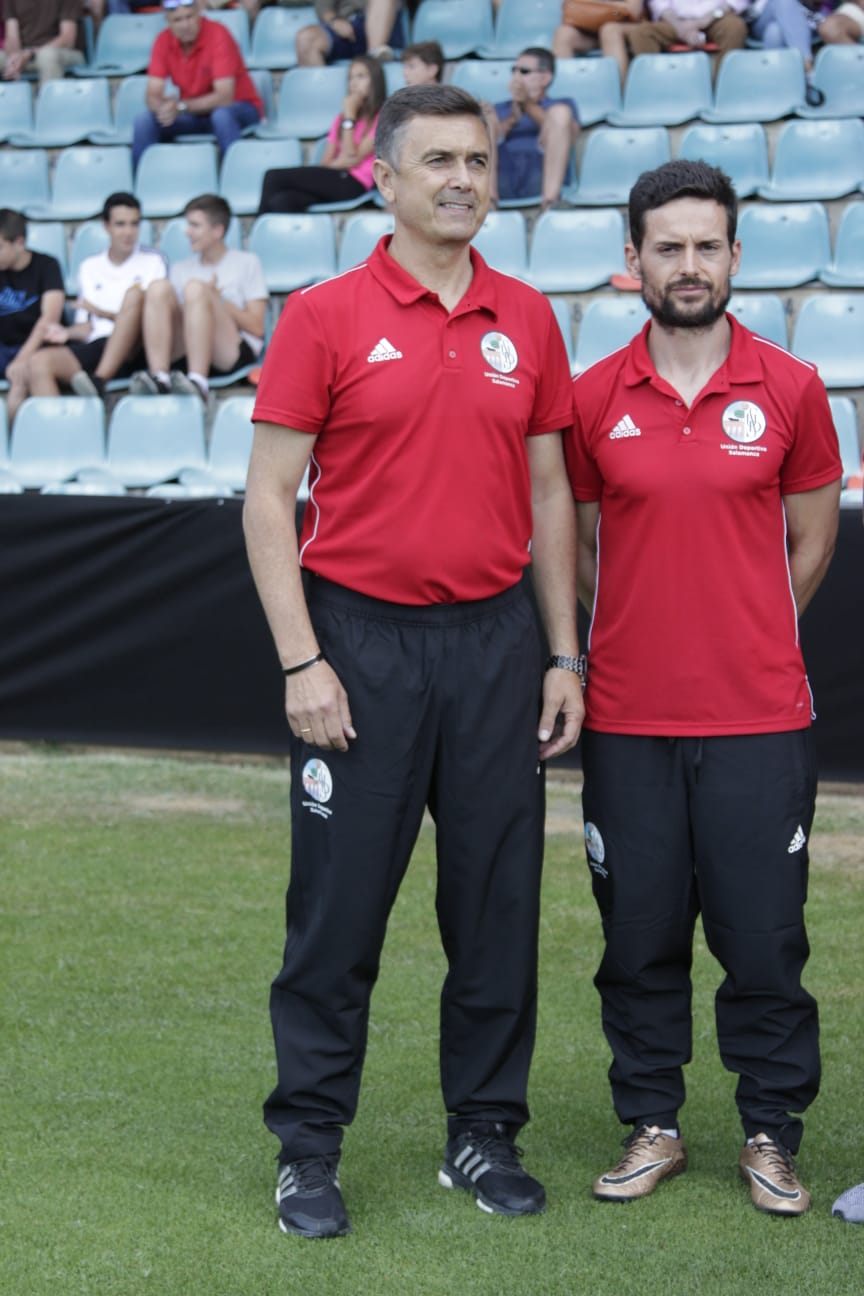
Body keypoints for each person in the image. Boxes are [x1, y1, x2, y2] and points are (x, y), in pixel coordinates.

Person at [243, 83, 584, 1240]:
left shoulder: (529, 318)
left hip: (495, 646)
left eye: (480, 160)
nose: (464, 179)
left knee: (495, 910)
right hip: (359, 642)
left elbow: (549, 494)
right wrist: (304, 663)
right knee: (337, 915)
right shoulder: (325, 315)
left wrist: (561, 652)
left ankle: (483, 1134)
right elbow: (267, 499)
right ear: (381, 177)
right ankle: (307, 1148)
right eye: (437, 158)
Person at [565, 159, 842, 1216]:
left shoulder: (793, 389)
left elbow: (810, 543)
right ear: (632, 261)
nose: (689, 265)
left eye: (707, 245)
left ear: (735, 257)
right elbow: (580, 548)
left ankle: (771, 1133)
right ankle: (654, 1122)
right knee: (637, 936)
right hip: (627, 718)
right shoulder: (593, 397)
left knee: (764, 938)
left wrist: (742, 630)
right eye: (667, 247)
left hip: (759, 718)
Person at [24, 193, 166, 404]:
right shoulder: (90, 267)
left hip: (137, 348)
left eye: (134, 224)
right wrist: (67, 332)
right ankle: (60, 433)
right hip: (98, 344)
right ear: (106, 226)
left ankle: (99, 380)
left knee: (134, 297)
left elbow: (152, 321)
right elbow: (87, 326)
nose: (128, 232)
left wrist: (101, 312)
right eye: (120, 224)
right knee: (38, 363)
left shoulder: (153, 261)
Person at [130, 193, 267, 400]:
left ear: (217, 231)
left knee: (195, 288)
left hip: (230, 352)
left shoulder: (247, 263)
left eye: (195, 225)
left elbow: (257, 327)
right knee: (158, 288)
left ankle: (198, 381)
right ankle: (159, 377)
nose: (187, 232)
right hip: (186, 348)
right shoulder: (180, 268)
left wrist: (218, 301)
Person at [132, 0, 262, 173]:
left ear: (199, 14)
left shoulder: (218, 34)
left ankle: (235, 176)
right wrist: (164, 108)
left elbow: (224, 97)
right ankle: (140, 184)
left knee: (222, 116)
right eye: (178, 20)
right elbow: (152, 94)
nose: (185, 25)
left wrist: (180, 106)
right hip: (196, 113)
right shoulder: (162, 40)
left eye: (189, 17)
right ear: (168, 21)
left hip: (240, 107)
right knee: (145, 121)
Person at [258, 54, 385, 214]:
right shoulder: (340, 118)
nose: (354, 83)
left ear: (375, 81)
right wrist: (341, 161)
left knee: (273, 177)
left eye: (361, 76)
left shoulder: (381, 118)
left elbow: (352, 156)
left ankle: (256, 232)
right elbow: (326, 164)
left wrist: (349, 117)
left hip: (355, 184)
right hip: (333, 179)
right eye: (350, 78)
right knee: (282, 202)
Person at [483, 47, 579, 212]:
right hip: (503, 176)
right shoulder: (500, 108)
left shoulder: (562, 103)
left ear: (545, 78)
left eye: (524, 71)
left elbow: (571, 134)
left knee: (560, 113)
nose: (516, 76)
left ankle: (550, 203)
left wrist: (527, 104)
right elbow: (491, 137)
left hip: (539, 175)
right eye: (514, 70)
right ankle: (489, 202)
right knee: (483, 111)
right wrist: (513, 118)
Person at [0, 209, 65, 425]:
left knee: (23, 376)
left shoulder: (47, 266)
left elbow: (50, 318)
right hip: (4, 349)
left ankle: (15, 447)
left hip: (39, 347)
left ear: (19, 242)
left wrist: (22, 359)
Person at [601, 0, 748, 83]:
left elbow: (736, 2)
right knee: (642, 33)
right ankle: (655, 88)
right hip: (676, 21)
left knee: (735, 27)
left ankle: (723, 86)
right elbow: (660, 5)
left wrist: (704, 21)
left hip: (716, 18)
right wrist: (680, 27)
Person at [746, 0, 826, 104]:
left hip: (805, 16)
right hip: (760, 17)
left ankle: (777, 96)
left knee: (774, 32)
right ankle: (808, 69)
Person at [552, 0, 644, 88]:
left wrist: (603, 7)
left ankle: (618, 93)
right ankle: (564, 90)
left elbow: (634, 11)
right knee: (563, 34)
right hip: (592, 28)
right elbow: (571, 5)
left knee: (609, 31)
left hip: (627, 27)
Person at [0, 0, 85, 84]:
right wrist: (15, 58)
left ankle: (49, 97)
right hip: (25, 55)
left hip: (63, 53)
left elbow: (67, 39)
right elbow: (12, 35)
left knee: (47, 56)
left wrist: (30, 53)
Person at [295, 0, 403, 65]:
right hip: (349, 25)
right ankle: (320, 99)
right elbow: (323, 6)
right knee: (306, 39)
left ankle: (372, 61)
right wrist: (334, 20)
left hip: (386, 30)